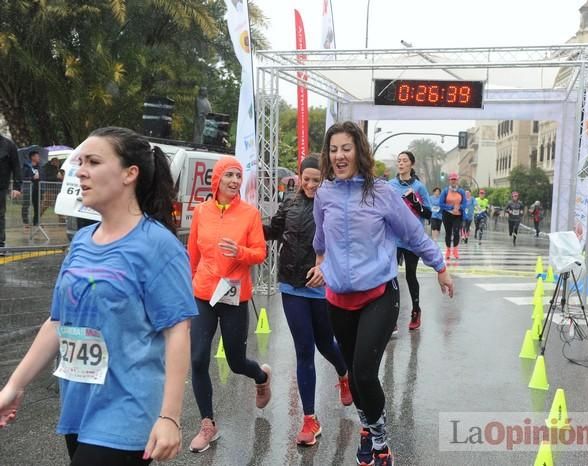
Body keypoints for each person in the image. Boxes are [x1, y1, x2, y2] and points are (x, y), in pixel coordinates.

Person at [0, 126, 198, 464]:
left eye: (93, 161)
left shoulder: (157, 245)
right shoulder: (81, 241)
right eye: (80, 162)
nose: (81, 171)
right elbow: (57, 322)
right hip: (79, 405)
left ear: (129, 174)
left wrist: (169, 417)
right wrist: (14, 386)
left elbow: (177, 330)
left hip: (129, 410)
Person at [313, 121, 454, 466]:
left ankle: (381, 442)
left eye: (346, 148)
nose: (339, 156)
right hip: (337, 300)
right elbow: (320, 239)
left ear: (359, 152)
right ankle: (367, 425)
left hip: (379, 294)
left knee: (363, 372)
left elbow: (414, 233)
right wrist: (321, 264)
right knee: (353, 373)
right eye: (333, 150)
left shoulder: (381, 192)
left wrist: (440, 267)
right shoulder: (325, 193)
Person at [263, 155, 352, 447]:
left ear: (324, 179)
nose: (311, 185)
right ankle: (310, 419)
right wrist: (243, 224)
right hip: (292, 285)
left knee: (325, 343)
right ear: (299, 178)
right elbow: (273, 231)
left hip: (323, 288)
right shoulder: (289, 202)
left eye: (317, 180)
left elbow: (344, 244)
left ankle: (344, 373)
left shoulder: (334, 203)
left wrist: (326, 269)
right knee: (304, 350)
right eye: (307, 179)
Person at [187, 155, 271, 453]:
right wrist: (188, 285)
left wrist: (240, 252)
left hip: (234, 295)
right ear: (217, 180)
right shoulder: (201, 212)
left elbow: (260, 253)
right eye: (229, 176)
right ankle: (208, 424)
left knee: (236, 362)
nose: (235, 181)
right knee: (197, 358)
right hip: (203, 293)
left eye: (238, 176)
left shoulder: (249, 214)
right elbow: (193, 253)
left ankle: (261, 377)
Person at [388, 150, 432, 331]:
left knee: (410, 275)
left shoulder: (419, 187)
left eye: (404, 161)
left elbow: (429, 213)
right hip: (394, 238)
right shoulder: (390, 185)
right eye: (399, 160)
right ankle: (391, 317)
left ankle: (416, 310)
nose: (401, 163)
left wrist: (415, 202)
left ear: (411, 164)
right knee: (390, 276)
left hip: (412, 239)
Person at [0, 134, 22, 252]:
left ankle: (0, 244)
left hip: (1, 186)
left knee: (0, 215)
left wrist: (17, 187)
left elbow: (16, 166)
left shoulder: (8, 145)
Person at [438, 173, 467, 260]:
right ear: (449, 181)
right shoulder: (445, 191)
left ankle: (455, 250)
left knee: (456, 231)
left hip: (458, 215)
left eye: (455, 179)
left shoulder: (461, 191)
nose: (453, 181)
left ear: (457, 180)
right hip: (447, 215)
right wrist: (451, 207)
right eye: (452, 179)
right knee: (448, 233)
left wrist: (459, 207)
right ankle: (448, 251)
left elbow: (465, 203)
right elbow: (441, 203)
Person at [21, 150, 41, 228]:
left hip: (37, 188)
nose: (39, 158)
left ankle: (36, 222)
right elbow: (23, 177)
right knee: (26, 204)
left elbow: (42, 176)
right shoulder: (26, 166)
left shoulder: (39, 167)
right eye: (37, 156)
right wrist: (32, 177)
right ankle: (25, 222)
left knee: (37, 205)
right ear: (32, 157)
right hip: (28, 187)